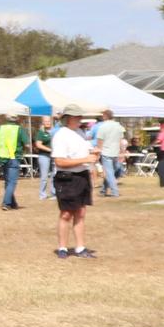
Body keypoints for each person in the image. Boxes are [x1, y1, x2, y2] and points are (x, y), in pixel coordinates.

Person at [50, 103, 98, 257]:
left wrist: (93, 153)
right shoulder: (61, 135)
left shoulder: (80, 133)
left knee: (81, 212)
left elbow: (86, 153)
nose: (80, 118)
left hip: (82, 176)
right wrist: (85, 159)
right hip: (67, 178)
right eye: (77, 116)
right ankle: (62, 248)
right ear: (68, 118)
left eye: (80, 116)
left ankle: (80, 247)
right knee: (66, 214)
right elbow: (59, 161)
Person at [0, 115, 27, 210]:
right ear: (17, 119)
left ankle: (13, 203)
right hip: (14, 157)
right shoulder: (19, 129)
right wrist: (24, 149)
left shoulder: (0, 128)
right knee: (12, 182)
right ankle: (6, 203)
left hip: (3, 157)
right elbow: (27, 143)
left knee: (8, 182)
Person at [91, 109, 126, 197]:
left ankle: (114, 192)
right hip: (115, 152)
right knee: (111, 172)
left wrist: (98, 152)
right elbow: (121, 140)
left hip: (106, 152)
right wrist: (122, 152)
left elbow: (100, 141)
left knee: (110, 173)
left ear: (105, 116)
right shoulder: (118, 126)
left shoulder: (102, 127)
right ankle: (104, 190)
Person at [32, 116, 55, 200]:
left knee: (54, 175)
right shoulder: (41, 132)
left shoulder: (54, 131)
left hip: (54, 156)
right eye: (45, 121)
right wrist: (50, 150)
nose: (47, 122)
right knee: (44, 176)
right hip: (44, 156)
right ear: (43, 122)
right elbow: (38, 145)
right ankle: (42, 194)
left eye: (49, 121)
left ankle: (53, 193)